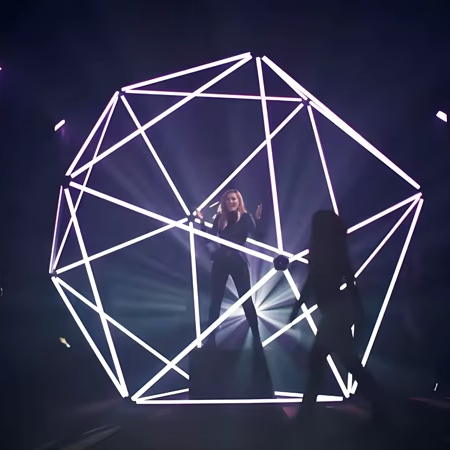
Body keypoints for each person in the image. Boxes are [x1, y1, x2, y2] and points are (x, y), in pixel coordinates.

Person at [289, 210, 385, 424]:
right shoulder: (328, 252)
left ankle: (305, 415)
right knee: (348, 362)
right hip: (337, 313)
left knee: (320, 361)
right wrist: (296, 308)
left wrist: (296, 309)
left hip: (335, 315)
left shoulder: (328, 253)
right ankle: (379, 406)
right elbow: (317, 283)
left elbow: (346, 281)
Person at [196, 189, 262, 347]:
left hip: (237, 262)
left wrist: (257, 219)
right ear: (224, 202)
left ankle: (256, 337)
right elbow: (209, 238)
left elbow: (258, 235)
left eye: (234, 199)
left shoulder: (246, 218)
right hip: (221, 262)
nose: (231, 202)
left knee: (246, 300)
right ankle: (211, 339)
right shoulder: (220, 218)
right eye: (228, 199)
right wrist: (201, 222)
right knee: (216, 300)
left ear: (239, 201)